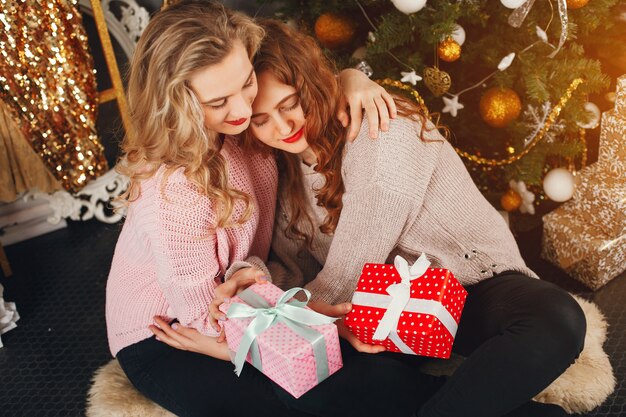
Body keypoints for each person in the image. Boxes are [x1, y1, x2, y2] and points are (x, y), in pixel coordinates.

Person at [239, 20, 587, 417]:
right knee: (304, 385)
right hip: (385, 314)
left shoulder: (379, 125)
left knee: (558, 319)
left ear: (309, 83)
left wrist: (297, 314)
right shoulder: (285, 182)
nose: (282, 127)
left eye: (288, 105)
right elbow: (295, 272)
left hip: (471, 287)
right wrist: (252, 279)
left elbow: (346, 269)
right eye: (261, 119)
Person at [105, 2, 403, 417]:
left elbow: (297, 85)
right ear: (178, 103)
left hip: (251, 301)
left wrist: (352, 80)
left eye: (245, 82)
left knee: (357, 375)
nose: (244, 110)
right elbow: (200, 315)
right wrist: (234, 349)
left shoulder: (243, 128)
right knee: (307, 397)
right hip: (170, 334)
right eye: (219, 101)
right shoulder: (175, 189)